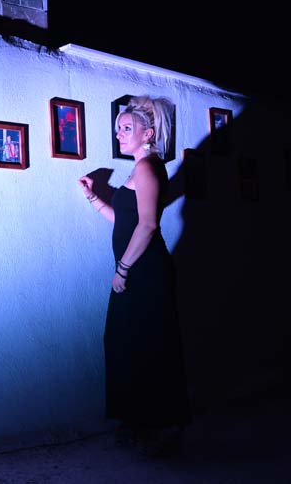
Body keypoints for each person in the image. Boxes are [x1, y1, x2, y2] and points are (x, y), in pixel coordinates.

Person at [78, 95, 190, 455]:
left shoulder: (148, 168)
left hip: (145, 271)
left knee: (149, 346)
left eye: (127, 128)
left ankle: (162, 427)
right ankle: (141, 423)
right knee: (127, 344)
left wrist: (122, 269)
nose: (120, 134)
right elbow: (123, 220)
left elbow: (148, 225)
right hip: (135, 271)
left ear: (148, 133)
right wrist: (94, 198)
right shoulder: (138, 169)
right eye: (118, 129)